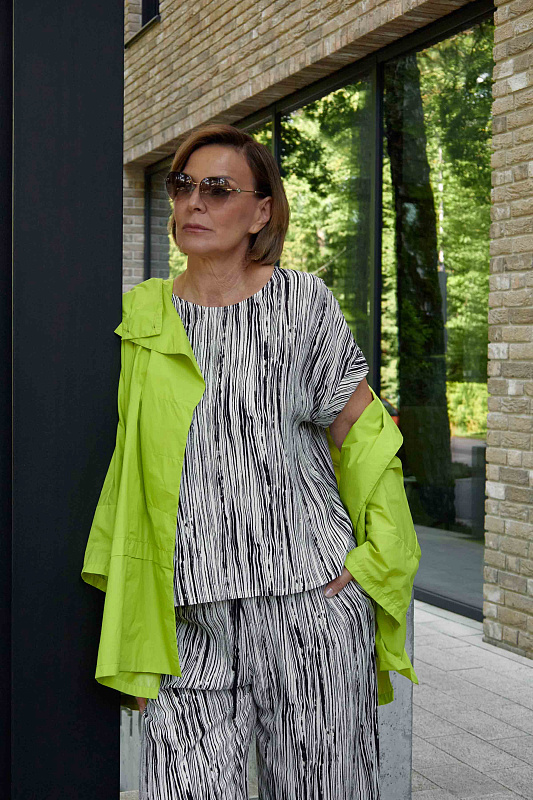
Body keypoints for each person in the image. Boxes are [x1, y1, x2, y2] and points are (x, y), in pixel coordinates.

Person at [81, 122, 420, 800]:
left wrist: (377, 559)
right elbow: (126, 474)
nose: (193, 203)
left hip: (309, 600)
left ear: (261, 211)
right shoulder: (141, 318)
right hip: (186, 616)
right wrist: (134, 628)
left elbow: (362, 430)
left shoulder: (302, 304)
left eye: (217, 189)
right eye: (183, 186)